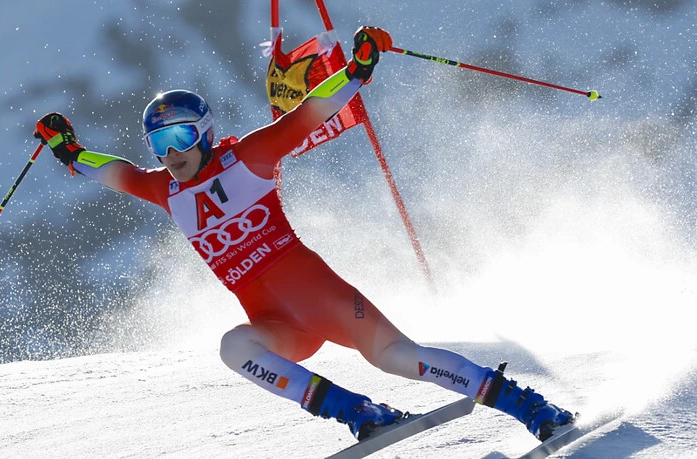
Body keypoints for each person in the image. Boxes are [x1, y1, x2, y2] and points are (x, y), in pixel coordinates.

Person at [33, 26, 573, 442]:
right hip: (278, 325)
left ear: (205, 134)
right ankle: (358, 411)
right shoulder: (164, 189)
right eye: (159, 142)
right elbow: (113, 170)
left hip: (326, 301)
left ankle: (530, 406)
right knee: (234, 346)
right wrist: (69, 152)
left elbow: (308, 113)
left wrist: (357, 70)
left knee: (397, 357)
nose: (171, 153)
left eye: (180, 137)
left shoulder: (248, 157)